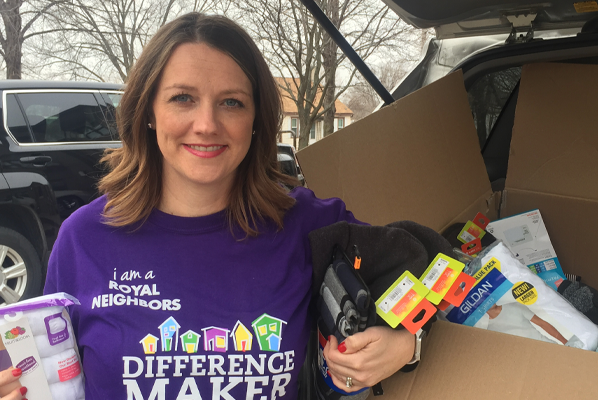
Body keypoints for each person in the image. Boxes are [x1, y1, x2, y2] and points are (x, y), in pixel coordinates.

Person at [1, 13, 416, 399]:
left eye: (232, 102)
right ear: (148, 111)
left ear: (256, 119)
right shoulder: (84, 239)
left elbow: (437, 269)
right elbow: (46, 378)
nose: (206, 124)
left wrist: (408, 343)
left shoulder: (305, 224)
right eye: (183, 98)